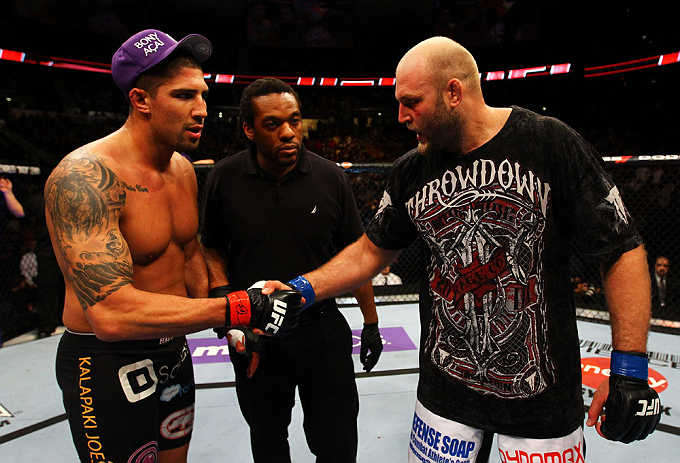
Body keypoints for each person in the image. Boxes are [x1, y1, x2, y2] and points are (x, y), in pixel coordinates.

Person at [263, 37, 661, 462]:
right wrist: (299, 289)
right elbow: (368, 253)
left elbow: (620, 247)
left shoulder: (549, 142)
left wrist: (630, 367)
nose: (400, 116)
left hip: (539, 402)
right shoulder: (412, 169)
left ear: (454, 92)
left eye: (411, 101)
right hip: (445, 397)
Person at [44, 29, 301, 463]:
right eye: (184, 96)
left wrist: (231, 320)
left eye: (202, 94)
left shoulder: (182, 170)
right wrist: (241, 306)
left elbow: (188, 256)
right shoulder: (84, 178)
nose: (202, 109)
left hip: (174, 351)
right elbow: (110, 313)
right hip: (106, 361)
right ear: (141, 99)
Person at [200, 77, 382, 463]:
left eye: (295, 121)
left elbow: (356, 253)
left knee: (337, 442)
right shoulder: (224, 178)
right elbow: (211, 245)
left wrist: (370, 323)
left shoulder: (330, 176)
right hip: (256, 333)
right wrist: (224, 301)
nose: (288, 133)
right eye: (273, 124)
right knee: (267, 440)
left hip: (320, 328)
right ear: (249, 129)